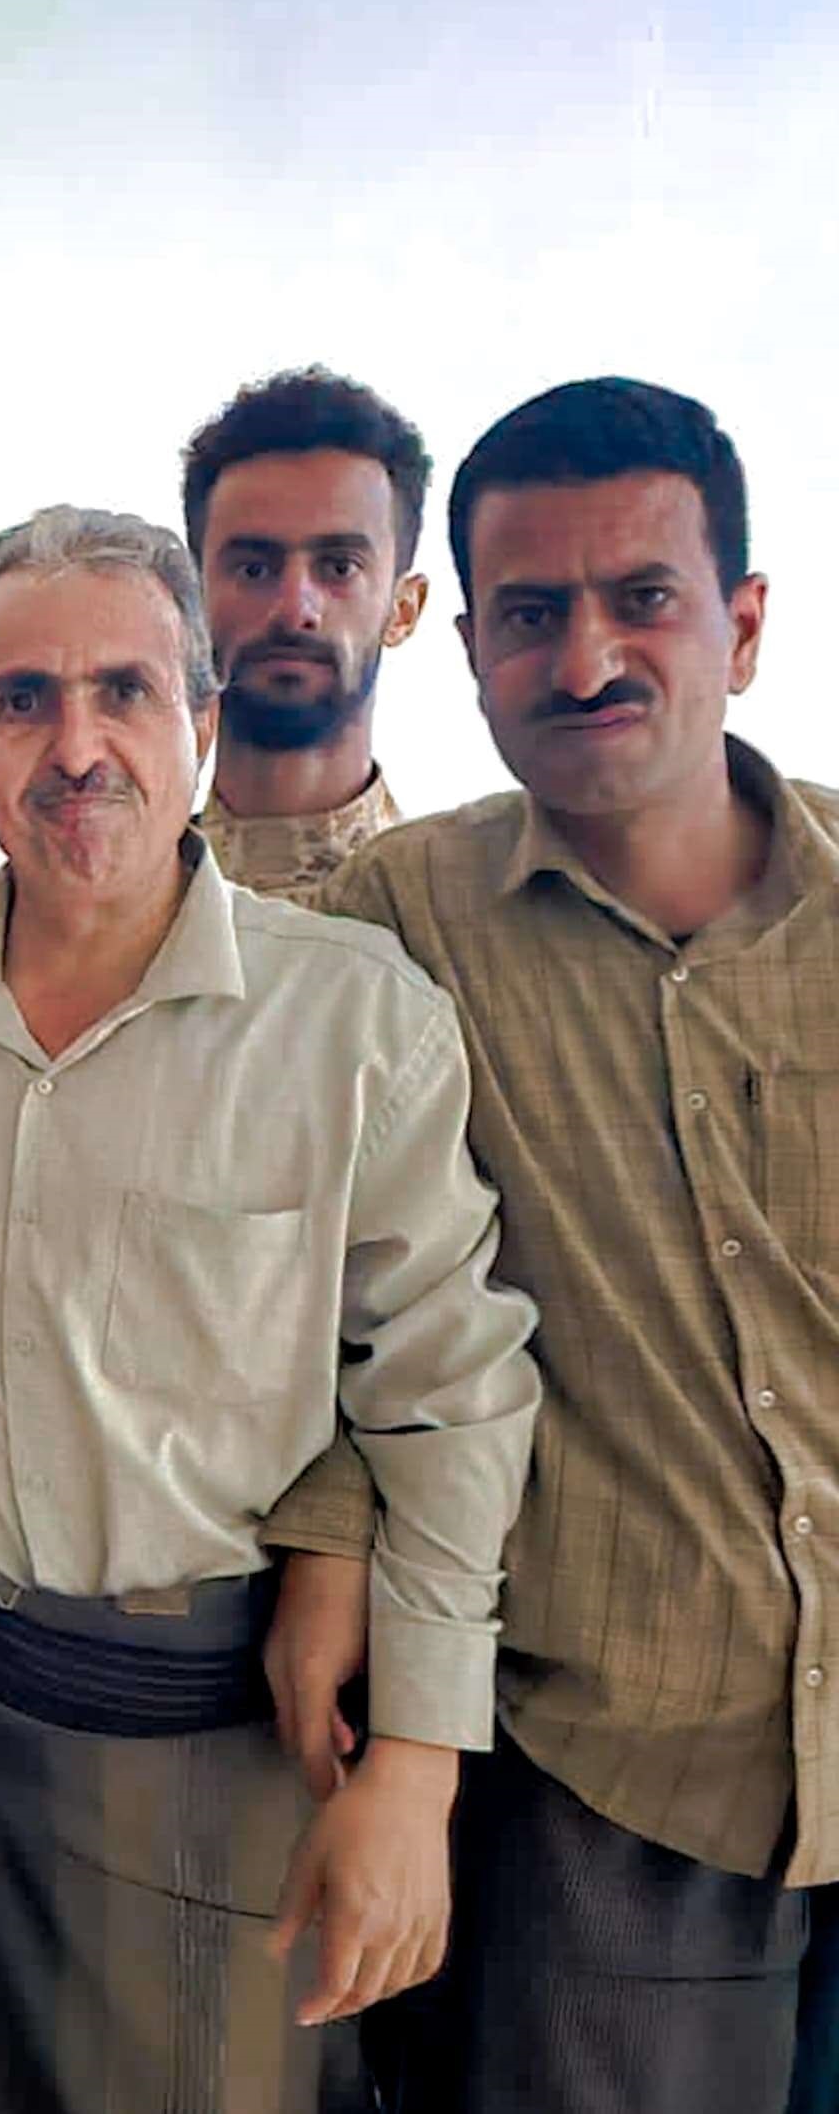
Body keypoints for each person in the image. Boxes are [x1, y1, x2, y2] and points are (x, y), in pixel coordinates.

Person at [0, 504, 542, 2113]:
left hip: (207, 1728)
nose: (76, 748)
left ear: (201, 721)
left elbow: (450, 1395)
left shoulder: (351, 1024)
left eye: (125, 692)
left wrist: (417, 1767)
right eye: (22, 702)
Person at [267, 377, 839, 2113]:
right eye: (530, 613)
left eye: (642, 597)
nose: (585, 657)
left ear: (744, 623)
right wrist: (332, 1546)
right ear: (471, 651)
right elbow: (351, 1294)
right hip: (621, 1770)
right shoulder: (400, 923)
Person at [182, 368, 431, 898]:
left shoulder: (452, 915)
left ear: (404, 609)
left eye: (339, 567)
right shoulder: (110, 911)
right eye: (254, 569)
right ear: (192, 600)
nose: (295, 608)